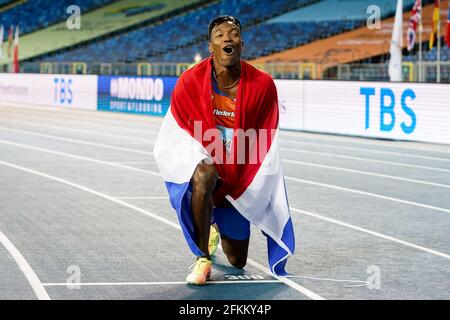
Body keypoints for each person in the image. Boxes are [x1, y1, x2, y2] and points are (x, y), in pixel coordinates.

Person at [153, 15, 295, 286]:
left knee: (237, 260)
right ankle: (202, 258)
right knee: (204, 175)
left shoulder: (263, 85)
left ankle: (214, 227)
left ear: (242, 43)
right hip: (205, 162)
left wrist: (248, 176)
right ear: (211, 47)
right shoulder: (190, 82)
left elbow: (265, 139)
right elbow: (178, 130)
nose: (227, 38)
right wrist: (203, 159)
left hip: (239, 174)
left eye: (233, 34)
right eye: (219, 35)